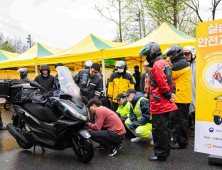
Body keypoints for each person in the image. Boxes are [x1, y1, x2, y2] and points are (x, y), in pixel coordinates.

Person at [139, 42, 177, 161]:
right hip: (165, 103)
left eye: (147, 55)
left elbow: (162, 84)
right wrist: (171, 94)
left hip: (159, 104)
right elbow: (172, 82)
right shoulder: (165, 63)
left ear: (151, 53)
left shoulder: (156, 65)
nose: (146, 57)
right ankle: (165, 152)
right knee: (165, 129)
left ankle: (160, 154)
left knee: (158, 130)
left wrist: (169, 94)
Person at [163, 44, 192, 149]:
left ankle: (182, 142)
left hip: (181, 97)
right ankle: (180, 140)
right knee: (181, 120)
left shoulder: (179, 64)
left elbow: (168, 77)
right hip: (182, 96)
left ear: (176, 53)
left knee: (180, 121)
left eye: (170, 55)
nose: (170, 57)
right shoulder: (182, 62)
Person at [184, 45, 196, 136]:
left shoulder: (197, 64)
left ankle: (198, 128)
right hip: (190, 92)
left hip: (197, 91)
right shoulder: (188, 64)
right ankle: (194, 126)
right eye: (185, 54)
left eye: (187, 54)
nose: (186, 56)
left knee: (197, 109)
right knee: (192, 109)